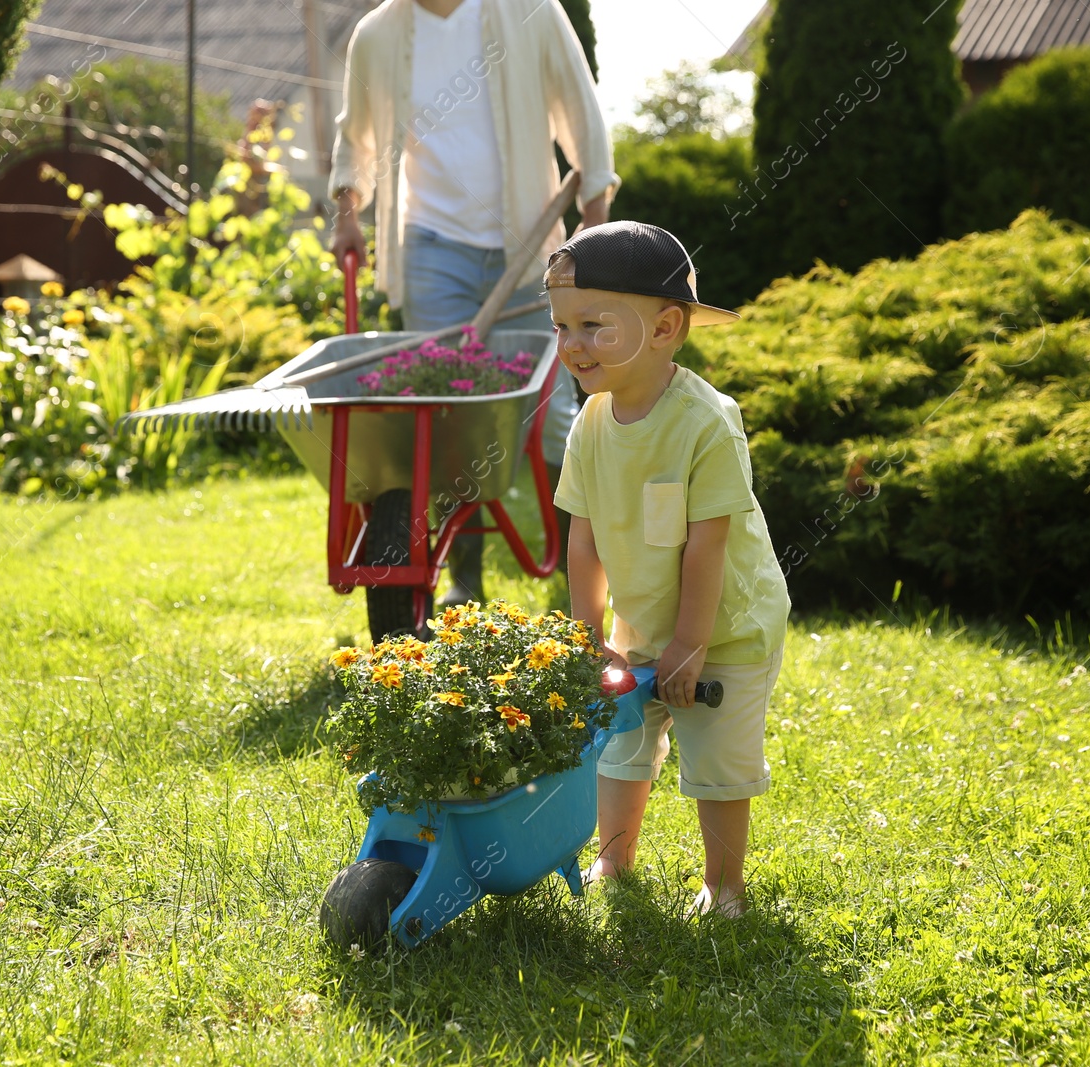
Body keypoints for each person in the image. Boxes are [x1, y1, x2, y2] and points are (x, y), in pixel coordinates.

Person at [328, 0, 618, 605]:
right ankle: (464, 580)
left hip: (528, 242)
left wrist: (594, 225)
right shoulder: (378, 35)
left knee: (556, 415)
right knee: (448, 420)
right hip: (433, 250)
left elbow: (580, 108)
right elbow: (354, 133)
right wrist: (347, 214)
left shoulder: (530, 12)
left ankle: (583, 584)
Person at [548, 221, 791, 917]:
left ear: (664, 329)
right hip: (643, 620)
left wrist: (691, 645)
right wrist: (586, 631)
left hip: (726, 625)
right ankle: (612, 858)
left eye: (593, 324)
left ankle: (724, 884)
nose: (572, 344)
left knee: (715, 758)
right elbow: (585, 542)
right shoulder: (591, 424)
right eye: (562, 327)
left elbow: (705, 545)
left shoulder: (706, 421)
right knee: (621, 742)